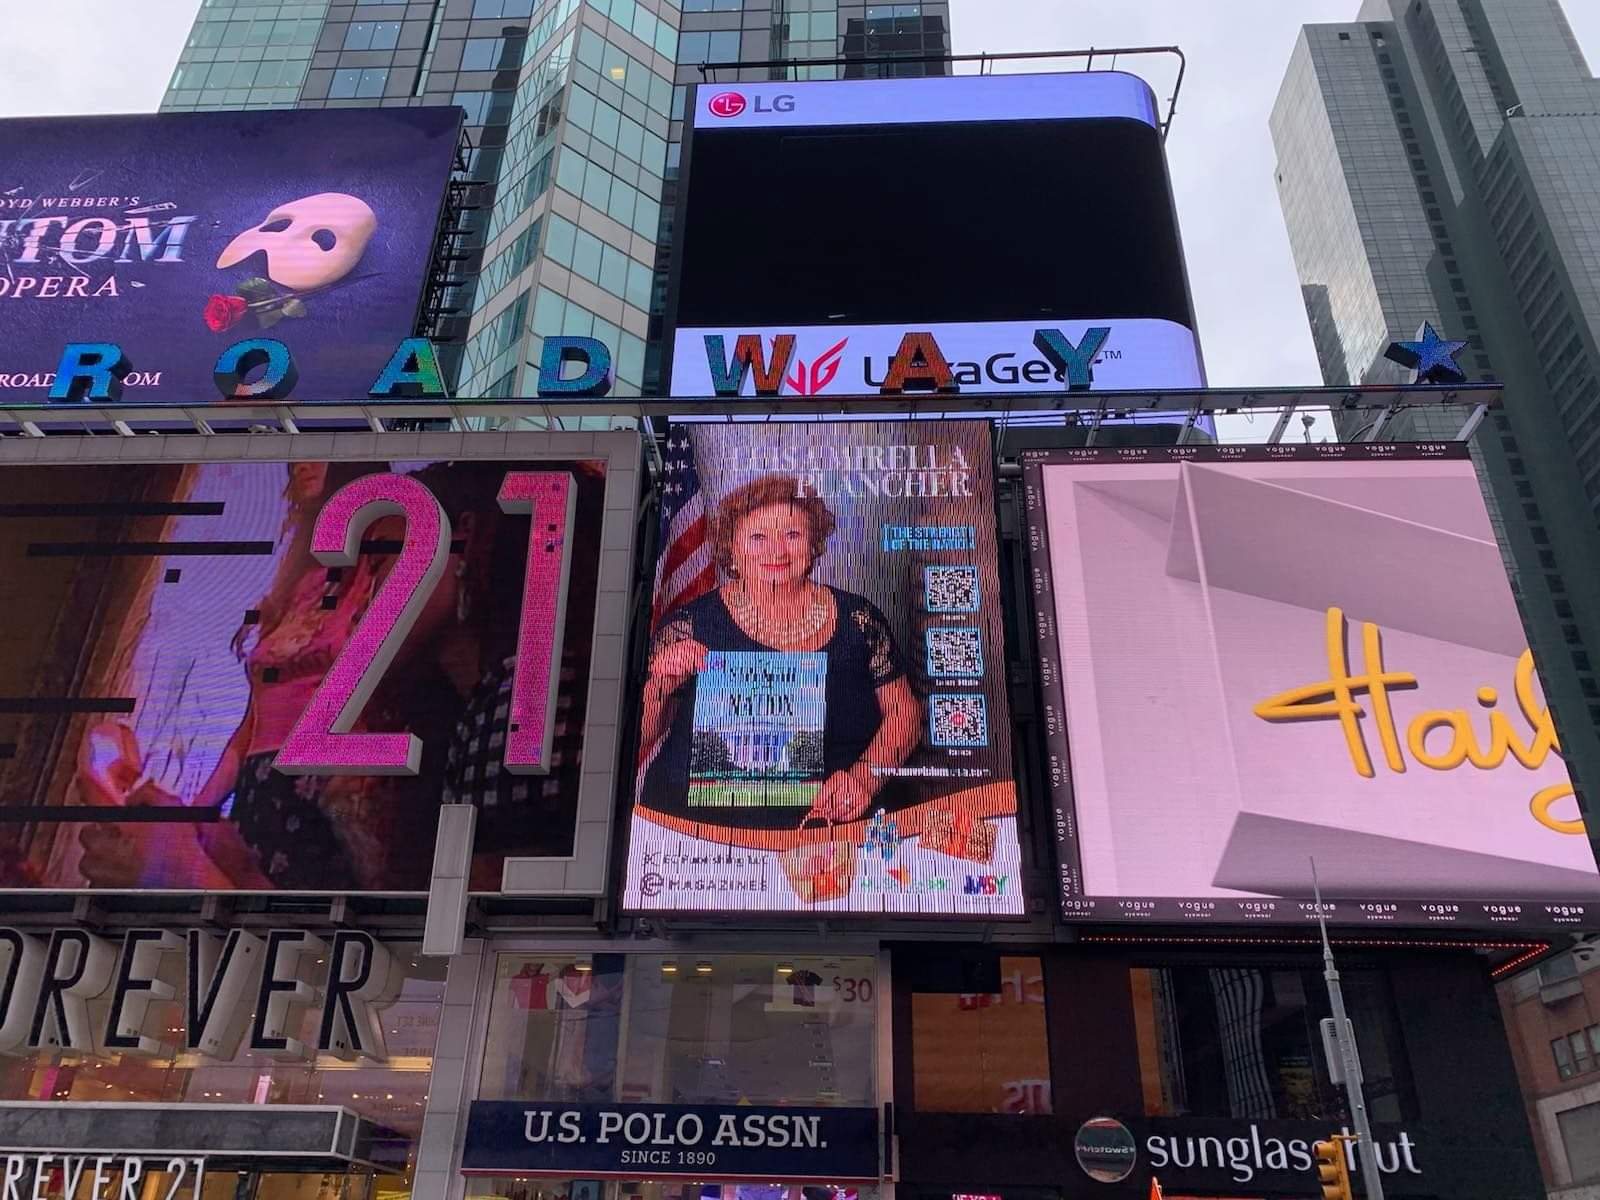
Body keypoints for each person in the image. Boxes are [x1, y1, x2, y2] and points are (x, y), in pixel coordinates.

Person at [75, 460, 498, 890]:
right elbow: (250, 724)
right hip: (262, 786)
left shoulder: (389, 552)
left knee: (302, 924)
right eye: (295, 458)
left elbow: (428, 608)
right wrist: (196, 812)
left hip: (330, 783)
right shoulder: (301, 581)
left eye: (317, 449)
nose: (302, 467)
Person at [639, 474, 922, 829]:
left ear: (814, 543)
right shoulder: (689, 625)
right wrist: (661, 684)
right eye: (758, 537)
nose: (776, 551)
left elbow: (905, 715)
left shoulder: (859, 619)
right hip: (694, 833)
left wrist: (864, 779)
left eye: (792, 535)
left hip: (824, 831)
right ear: (732, 549)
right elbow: (641, 735)